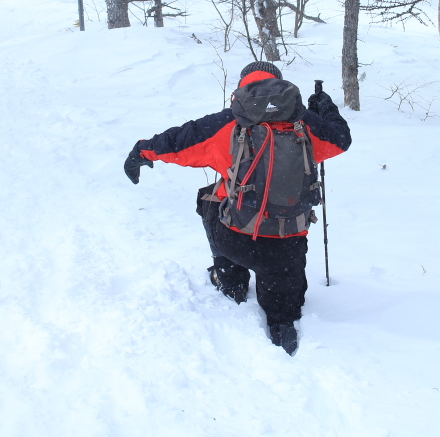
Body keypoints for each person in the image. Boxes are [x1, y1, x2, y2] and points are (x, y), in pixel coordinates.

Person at [123, 61, 351, 355]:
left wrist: (140, 151)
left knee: (210, 196)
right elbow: (341, 138)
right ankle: (282, 320)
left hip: (238, 240)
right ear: (279, 83)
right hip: (288, 247)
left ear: (244, 86)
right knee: (285, 297)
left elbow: (177, 142)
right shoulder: (305, 124)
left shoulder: (226, 122)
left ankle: (231, 281)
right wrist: (325, 108)